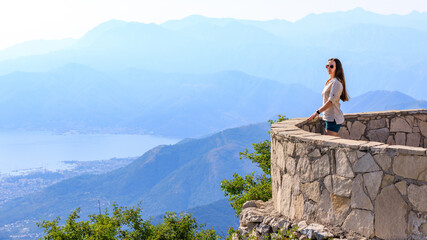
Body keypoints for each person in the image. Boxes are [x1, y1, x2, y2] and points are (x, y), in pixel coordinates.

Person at [307, 58, 349, 136]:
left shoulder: (336, 83)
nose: (329, 68)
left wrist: (316, 113)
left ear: (337, 68)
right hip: (329, 118)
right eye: (327, 66)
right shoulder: (330, 81)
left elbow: (330, 102)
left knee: (331, 145)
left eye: (331, 66)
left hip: (333, 119)